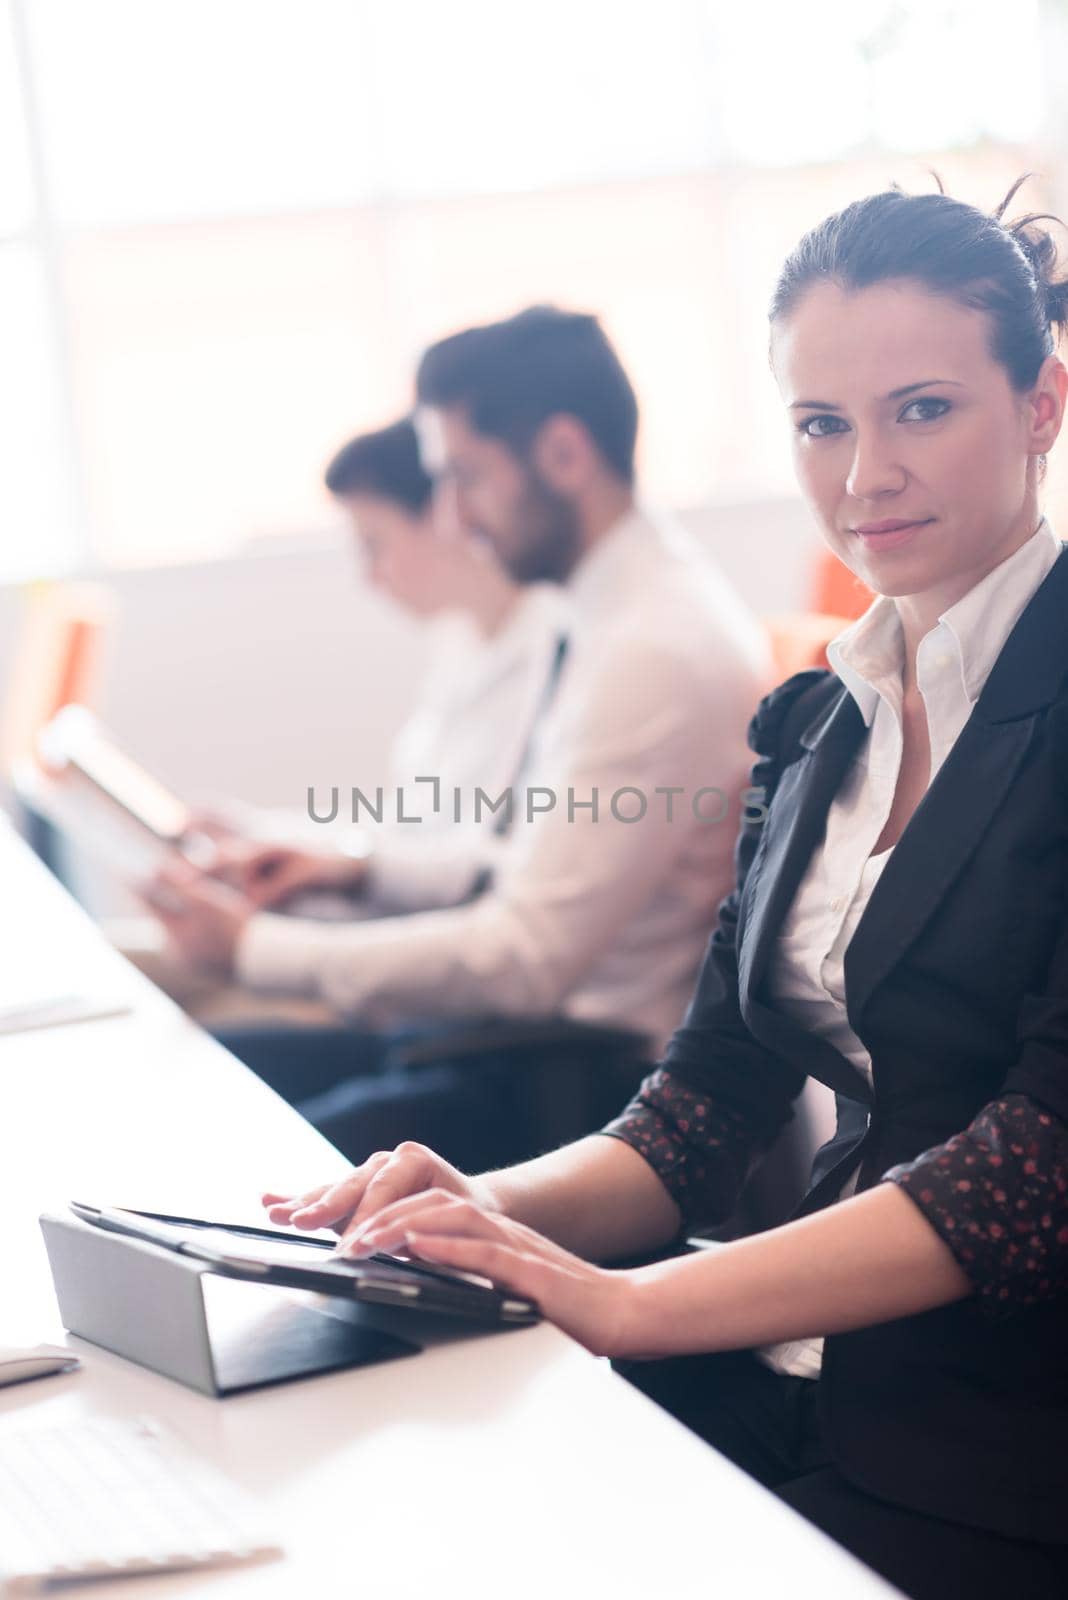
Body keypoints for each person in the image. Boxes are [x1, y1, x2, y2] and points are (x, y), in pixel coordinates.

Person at [261, 185, 1068, 1600]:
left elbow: (1033, 1173)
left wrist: (634, 1303)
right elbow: (705, 1107)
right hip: (805, 1369)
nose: (865, 473)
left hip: (999, 1435)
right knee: (389, 1500)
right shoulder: (819, 721)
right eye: (822, 424)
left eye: (922, 409)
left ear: (1042, 402)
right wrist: (478, 1212)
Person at [148, 308, 771, 1167]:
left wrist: (255, 949)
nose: (450, 516)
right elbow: (520, 861)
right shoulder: (605, 612)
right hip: (509, 1047)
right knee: (181, 1085)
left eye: (466, 477)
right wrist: (359, 867)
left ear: (563, 454)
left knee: (205, 1152)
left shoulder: (649, 648)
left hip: (578, 1087)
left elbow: (527, 956)